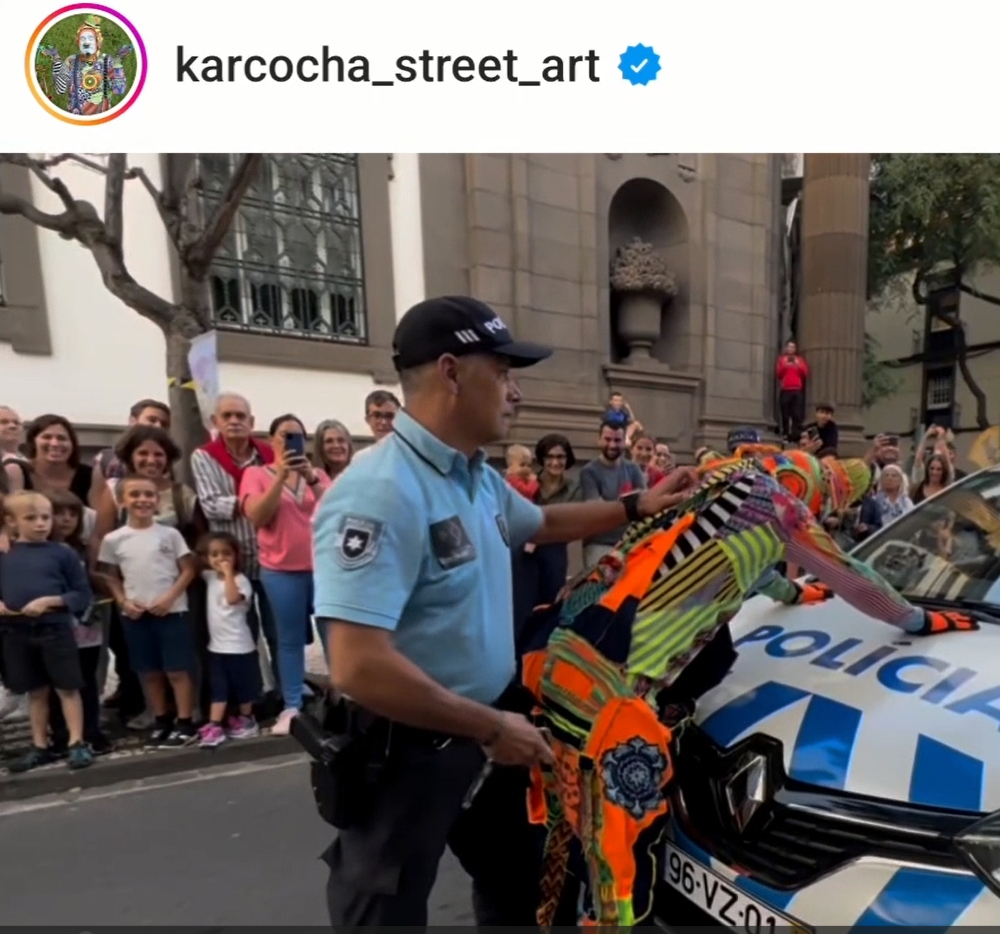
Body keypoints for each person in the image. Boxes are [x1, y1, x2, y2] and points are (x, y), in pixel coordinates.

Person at [311, 295, 698, 928]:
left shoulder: (475, 477)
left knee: (522, 889)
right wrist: (490, 728)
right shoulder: (380, 492)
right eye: (502, 372)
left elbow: (541, 522)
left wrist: (636, 506)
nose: (514, 391)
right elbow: (358, 666)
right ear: (451, 373)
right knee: (381, 913)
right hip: (406, 750)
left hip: (488, 733)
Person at [522, 447, 979, 926]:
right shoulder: (782, 507)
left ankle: (553, 908)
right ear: (819, 491)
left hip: (560, 653)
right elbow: (856, 582)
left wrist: (793, 591)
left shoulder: (725, 475)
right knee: (616, 861)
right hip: (609, 694)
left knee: (566, 826)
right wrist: (919, 619)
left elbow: (736, 562)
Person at [240, 414, 330, 734]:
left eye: (298, 436)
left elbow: (337, 510)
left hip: (323, 570)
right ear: (272, 440)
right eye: (284, 435)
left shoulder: (317, 474)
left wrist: (311, 479)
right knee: (288, 640)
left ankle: (345, 694)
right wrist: (280, 477)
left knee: (334, 635)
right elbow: (257, 516)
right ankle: (292, 705)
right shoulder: (255, 474)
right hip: (281, 571)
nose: (292, 441)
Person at [97, 475, 199, 747]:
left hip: (172, 612)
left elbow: (188, 569)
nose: (142, 500)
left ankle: (185, 721)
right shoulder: (114, 539)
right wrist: (123, 601)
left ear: (157, 500)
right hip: (136, 615)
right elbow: (110, 575)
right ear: (122, 501)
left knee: (177, 670)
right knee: (149, 671)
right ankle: (161, 719)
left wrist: (169, 598)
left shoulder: (170, 534)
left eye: (148, 495)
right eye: (135, 495)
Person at [190, 393, 281, 695]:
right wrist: (257, 504)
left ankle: (286, 693)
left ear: (251, 421)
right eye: (227, 416)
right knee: (242, 636)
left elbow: (283, 500)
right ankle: (251, 696)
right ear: (215, 422)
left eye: (240, 416)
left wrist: (257, 503)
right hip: (231, 565)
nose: (234, 421)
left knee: (278, 633)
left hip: (271, 559)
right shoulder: (204, 456)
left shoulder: (269, 454)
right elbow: (212, 505)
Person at [0, 491, 94, 772]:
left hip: (54, 628)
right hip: (16, 629)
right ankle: (40, 745)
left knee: (67, 687)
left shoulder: (62, 553)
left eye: (45, 517)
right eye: (31, 518)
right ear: (11, 521)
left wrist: (51, 601)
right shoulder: (6, 554)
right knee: (36, 691)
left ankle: (77, 742)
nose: (41, 524)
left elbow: (81, 594)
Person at [46, 490, 113, 756]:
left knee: (86, 679)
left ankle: (91, 731)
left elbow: (95, 580)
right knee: (56, 682)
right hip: (53, 626)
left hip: (85, 626)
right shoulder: (35, 551)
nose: (66, 519)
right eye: (59, 514)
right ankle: (61, 733)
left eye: (72, 514)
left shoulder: (84, 549)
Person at [196, 532, 260, 748]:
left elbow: (233, 599)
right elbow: (194, 564)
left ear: (236, 556)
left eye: (226, 554)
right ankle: (215, 725)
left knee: (244, 687)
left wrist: (228, 573)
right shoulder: (209, 577)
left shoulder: (241, 581)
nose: (220, 558)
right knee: (219, 688)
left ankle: (247, 720)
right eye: (214, 554)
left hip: (240, 646)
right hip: (217, 647)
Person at [579, 421, 646, 567]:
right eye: (607, 439)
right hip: (599, 543)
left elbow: (644, 504)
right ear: (599, 440)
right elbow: (597, 510)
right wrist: (629, 506)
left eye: (617, 440)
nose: (612, 445)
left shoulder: (633, 469)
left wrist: (613, 506)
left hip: (631, 542)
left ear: (624, 442)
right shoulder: (589, 471)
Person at [88, 398, 171, 509]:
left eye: (164, 424)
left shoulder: (170, 459)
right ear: (133, 421)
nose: (158, 426)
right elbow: (97, 500)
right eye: (152, 420)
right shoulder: (106, 458)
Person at [4, 414, 92, 502]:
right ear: (33, 442)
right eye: (47, 437)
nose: (55, 443)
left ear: (72, 444)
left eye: (62, 438)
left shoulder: (89, 476)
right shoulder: (18, 472)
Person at [350, 390, 401, 463]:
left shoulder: (411, 456)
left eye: (389, 416)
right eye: (377, 416)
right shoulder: (360, 459)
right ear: (368, 420)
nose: (383, 422)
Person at [775, 339, 809, 441]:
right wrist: (786, 366)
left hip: (797, 389)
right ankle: (785, 433)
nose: (791, 349)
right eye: (789, 347)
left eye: (793, 347)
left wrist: (797, 364)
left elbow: (805, 373)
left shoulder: (800, 360)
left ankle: (795, 434)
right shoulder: (782, 360)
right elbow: (779, 374)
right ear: (786, 348)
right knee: (785, 413)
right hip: (786, 389)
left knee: (796, 414)